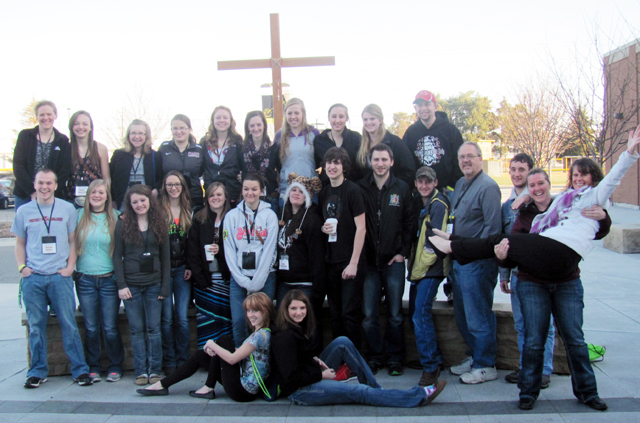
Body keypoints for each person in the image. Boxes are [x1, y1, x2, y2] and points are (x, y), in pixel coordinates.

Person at [429, 126, 640, 411]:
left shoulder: (593, 198)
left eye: (584, 175)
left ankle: (588, 392)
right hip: (535, 274)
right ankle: (528, 392)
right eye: (575, 176)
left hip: (564, 269)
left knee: (575, 340)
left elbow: (612, 184)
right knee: (533, 338)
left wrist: (629, 155)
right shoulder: (562, 203)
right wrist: (506, 254)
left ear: (592, 179)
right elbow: (521, 242)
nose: (578, 180)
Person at [503, 167, 611, 388]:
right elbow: (512, 244)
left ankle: (547, 372)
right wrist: (504, 268)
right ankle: (527, 373)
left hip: (564, 280)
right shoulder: (524, 213)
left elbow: (597, 231)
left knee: (564, 334)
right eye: (532, 186)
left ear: (549, 184)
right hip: (528, 279)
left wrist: (604, 217)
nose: (537, 188)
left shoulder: (565, 205)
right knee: (526, 329)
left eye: (541, 183)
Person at [270, 289, 447, 407]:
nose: (299, 312)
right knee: (358, 391)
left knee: (342, 342)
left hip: (309, 374)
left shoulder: (296, 329)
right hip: (300, 391)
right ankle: (418, 396)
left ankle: (377, 392)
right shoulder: (284, 337)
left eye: (302, 308)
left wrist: (313, 360)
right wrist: (320, 375)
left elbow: (297, 358)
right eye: (293, 308)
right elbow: (291, 377)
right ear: (285, 310)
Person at [12, 169, 92, 388]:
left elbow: (73, 241)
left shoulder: (67, 209)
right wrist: (22, 268)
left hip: (59, 277)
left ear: (56, 185)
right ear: (35, 184)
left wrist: (70, 268)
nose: (44, 187)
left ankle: (80, 370)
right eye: (40, 183)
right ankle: (37, 371)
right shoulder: (24, 211)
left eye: (49, 183)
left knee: (69, 324)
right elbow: (20, 243)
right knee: (36, 327)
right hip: (34, 278)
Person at [136, 292, 274, 402]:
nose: (250, 315)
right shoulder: (262, 333)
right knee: (201, 355)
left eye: (255, 311)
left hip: (242, 392)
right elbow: (243, 354)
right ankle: (163, 385)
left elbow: (232, 359)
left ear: (265, 311)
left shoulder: (259, 336)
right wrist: (215, 348)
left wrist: (211, 343)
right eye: (248, 310)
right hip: (242, 388)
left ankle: (207, 387)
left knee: (223, 340)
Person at [499, 154, 556, 389]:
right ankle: (527, 367)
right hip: (518, 273)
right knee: (521, 324)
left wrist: (528, 197)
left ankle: (544, 370)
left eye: (522, 169)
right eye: (513, 169)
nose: (516, 174)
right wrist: (504, 274)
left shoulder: (546, 202)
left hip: (543, 273)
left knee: (545, 324)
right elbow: (505, 239)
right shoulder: (506, 206)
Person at [447, 141, 502, 385]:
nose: (466, 161)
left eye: (470, 156)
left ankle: (486, 364)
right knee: (463, 315)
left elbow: (492, 230)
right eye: (462, 157)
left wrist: (470, 251)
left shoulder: (488, 187)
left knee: (478, 316)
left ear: (480, 158)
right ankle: (475, 356)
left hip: (478, 263)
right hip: (459, 259)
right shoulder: (461, 183)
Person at [357, 143, 413, 376]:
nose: (380, 164)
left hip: (393, 261)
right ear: (370, 162)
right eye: (376, 159)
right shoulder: (361, 187)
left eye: (384, 160)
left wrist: (403, 252)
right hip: (369, 262)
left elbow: (409, 223)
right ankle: (374, 356)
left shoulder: (402, 188)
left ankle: (395, 358)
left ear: (391, 162)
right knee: (369, 315)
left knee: (395, 314)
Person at [113, 184, 170, 386]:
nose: (139, 205)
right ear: (129, 204)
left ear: (150, 201)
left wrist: (165, 286)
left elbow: (165, 257)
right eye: (135, 202)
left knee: (154, 328)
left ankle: (154, 370)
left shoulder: (159, 222)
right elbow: (117, 256)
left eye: (143, 200)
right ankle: (141, 371)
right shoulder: (122, 224)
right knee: (137, 329)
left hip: (154, 284)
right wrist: (121, 285)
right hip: (131, 285)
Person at [74, 179, 123, 383]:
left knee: (110, 327)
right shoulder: (78, 216)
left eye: (101, 193)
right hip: (85, 279)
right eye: (93, 192)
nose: (97, 196)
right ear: (88, 196)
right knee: (91, 327)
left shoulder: (116, 216)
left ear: (107, 196)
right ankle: (93, 366)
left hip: (109, 279)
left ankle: (115, 365)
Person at [406, 166, 450, 388]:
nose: (424, 185)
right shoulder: (422, 203)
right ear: (415, 183)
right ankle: (435, 358)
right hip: (421, 269)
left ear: (435, 183)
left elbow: (434, 242)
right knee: (415, 312)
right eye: (420, 181)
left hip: (431, 269)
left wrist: (420, 269)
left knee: (420, 314)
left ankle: (431, 367)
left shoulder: (438, 204)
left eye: (428, 182)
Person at [318, 147, 366, 350]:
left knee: (349, 314)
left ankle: (354, 360)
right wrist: (323, 228)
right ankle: (339, 358)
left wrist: (353, 263)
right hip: (331, 261)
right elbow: (323, 223)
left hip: (349, 260)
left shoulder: (353, 190)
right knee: (336, 314)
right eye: (329, 162)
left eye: (337, 162)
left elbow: (362, 228)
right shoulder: (324, 192)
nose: (332, 166)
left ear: (344, 166)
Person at [223, 173, 278, 348]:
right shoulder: (231, 216)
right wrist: (242, 279)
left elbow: (270, 250)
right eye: (246, 189)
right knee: (239, 322)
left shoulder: (270, 215)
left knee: (263, 323)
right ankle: (242, 361)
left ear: (262, 191)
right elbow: (229, 250)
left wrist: (258, 281)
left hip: (265, 278)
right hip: (239, 278)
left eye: (254, 189)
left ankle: (262, 360)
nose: (250, 193)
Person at [188, 182, 233, 348]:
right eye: (211, 195)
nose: (215, 198)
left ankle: (227, 356)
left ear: (225, 197)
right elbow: (192, 251)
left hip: (228, 280)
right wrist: (200, 280)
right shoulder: (199, 219)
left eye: (219, 194)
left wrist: (220, 250)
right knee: (207, 323)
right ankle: (207, 356)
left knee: (227, 322)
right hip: (205, 283)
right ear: (206, 198)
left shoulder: (233, 217)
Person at [158, 171, 193, 374]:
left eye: (177, 184)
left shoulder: (188, 209)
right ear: (164, 187)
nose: (173, 188)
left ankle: (183, 360)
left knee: (181, 317)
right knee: (166, 318)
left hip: (182, 270)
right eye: (169, 184)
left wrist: (189, 265)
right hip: (164, 270)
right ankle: (169, 361)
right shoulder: (157, 210)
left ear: (182, 186)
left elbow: (192, 243)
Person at [403, 90, 464, 194]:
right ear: (415, 109)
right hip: (420, 192)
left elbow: (460, 159)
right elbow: (406, 163)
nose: (423, 108)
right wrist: (413, 187)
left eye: (427, 104)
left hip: (446, 191)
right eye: (420, 105)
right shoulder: (410, 133)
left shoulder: (450, 130)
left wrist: (451, 185)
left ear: (435, 107)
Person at [276, 173, 324, 305]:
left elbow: (317, 256)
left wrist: (317, 289)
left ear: (309, 196)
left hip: (305, 284)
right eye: (294, 189)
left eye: (302, 191)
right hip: (284, 283)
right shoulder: (282, 216)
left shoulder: (313, 219)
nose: (296, 193)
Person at [13, 100, 71, 210]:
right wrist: (32, 192)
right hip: (25, 195)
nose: (46, 118)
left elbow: (64, 170)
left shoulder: (62, 140)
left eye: (49, 114)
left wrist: (48, 193)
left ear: (55, 115)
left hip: (52, 196)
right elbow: (18, 166)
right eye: (42, 115)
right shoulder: (25, 136)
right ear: (37, 117)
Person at [273, 98, 320, 206]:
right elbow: (277, 162)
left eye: (296, 113)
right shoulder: (280, 135)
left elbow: (319, 160)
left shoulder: (314, 133)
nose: (293, 116)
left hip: (309, 191)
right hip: (287, 190)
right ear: (285, 114)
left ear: (303, 113)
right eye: (289, 113)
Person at [356, 104, 415, 186]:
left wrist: (394, 188)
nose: (368, 122)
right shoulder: (360, 144)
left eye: (372, 118)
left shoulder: (395, 142)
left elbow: (409, 171)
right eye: (365, 119)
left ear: (380, 120)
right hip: (368, 191)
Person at [109, 119, 163, 210]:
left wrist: (155, 190)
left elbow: (160, 179)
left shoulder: (154, 156)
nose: (137, 136)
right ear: (128, 135)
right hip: (123, 203)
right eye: (133, 133)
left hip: (146, 203)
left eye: (140, 133)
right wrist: (112, 200)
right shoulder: (119, 155)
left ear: (146, 136)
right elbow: (111, 179)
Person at [158, 114, 205, 210]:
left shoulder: (199, 150)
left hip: (194, 197)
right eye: (175, 128)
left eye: (182, 128)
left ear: (189, 129)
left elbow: (203, 171)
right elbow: (158, 173)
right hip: (169, 197)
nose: (178, 132)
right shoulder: (164, 148)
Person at [66, 111, 111, 208]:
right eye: (76, 124)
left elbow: (106, 178)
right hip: (71, 200)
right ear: (71, 127)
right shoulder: (67, 148)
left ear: (90, 127)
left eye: (85, 124)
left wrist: (106, 200)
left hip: (95, 200)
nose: (80, 127)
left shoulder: (100, 148)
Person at [201, 106, 243, 206]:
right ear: (213, 120)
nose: (222, 120)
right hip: (212, 195)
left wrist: (243, 175)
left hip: (232, 194)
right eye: (218, 117)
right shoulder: (204, 142)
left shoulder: (237, 141)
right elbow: (200, 167)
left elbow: (243, 164)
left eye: (225, 117)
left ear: (230, 120)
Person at [314, 103, 363, 185]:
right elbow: (316, 165)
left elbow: (361, 165)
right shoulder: (319, 140)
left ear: (346, 118)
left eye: (341, 116)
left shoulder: (356, 138)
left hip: (352, 187)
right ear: (329, 118)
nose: (337, 120)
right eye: (334, 116)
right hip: (328, 187)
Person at [241, 111, 279, 214]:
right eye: (252, 125)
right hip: (249, 197)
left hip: (270, 197)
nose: (256, 128)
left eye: (259, 124)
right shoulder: (241, 148)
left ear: (264, 126)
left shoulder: (273, 147)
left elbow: (280, 169)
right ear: (248, 128)